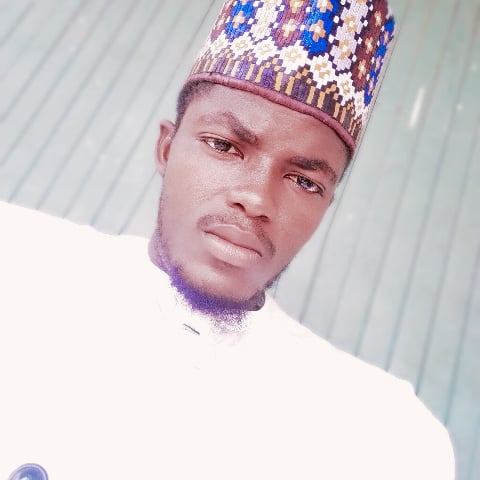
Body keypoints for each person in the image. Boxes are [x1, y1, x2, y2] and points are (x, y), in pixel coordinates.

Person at [0, 1, 455, 479]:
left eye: (305, 181)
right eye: (224, 146)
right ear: (166, 148)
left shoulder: (386, 436)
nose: (256, 199)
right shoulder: (17, 262)